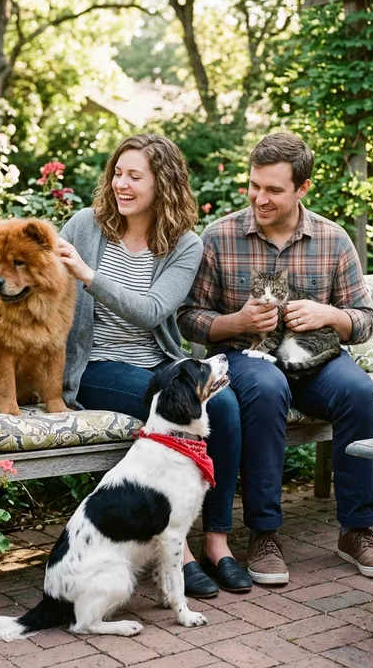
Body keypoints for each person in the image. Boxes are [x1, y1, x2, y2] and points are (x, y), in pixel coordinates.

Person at [177, 131, 373, 585]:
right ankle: (264, 534)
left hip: (316, 362)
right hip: (245, 361)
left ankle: (357, 531)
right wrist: (237, 322)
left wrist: (330, 314)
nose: (260, 197)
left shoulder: (333, 240)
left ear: (302, 189)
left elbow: (363, 320)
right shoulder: (219, 237)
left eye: (274, 189)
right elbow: (187, 317)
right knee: (265, 386)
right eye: (254, 185)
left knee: (359, 392)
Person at [56, 133, 252, 598]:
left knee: (223, 409)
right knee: (172, 408)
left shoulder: (184, 244)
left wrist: (88, 275)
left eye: (134, 176)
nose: (122, 185)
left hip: (158, 363)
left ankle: (217, 543)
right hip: (96, 366)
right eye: (118, 174)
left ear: (162, 183)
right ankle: (178, 553)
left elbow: (151, 311)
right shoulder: (85, 226)